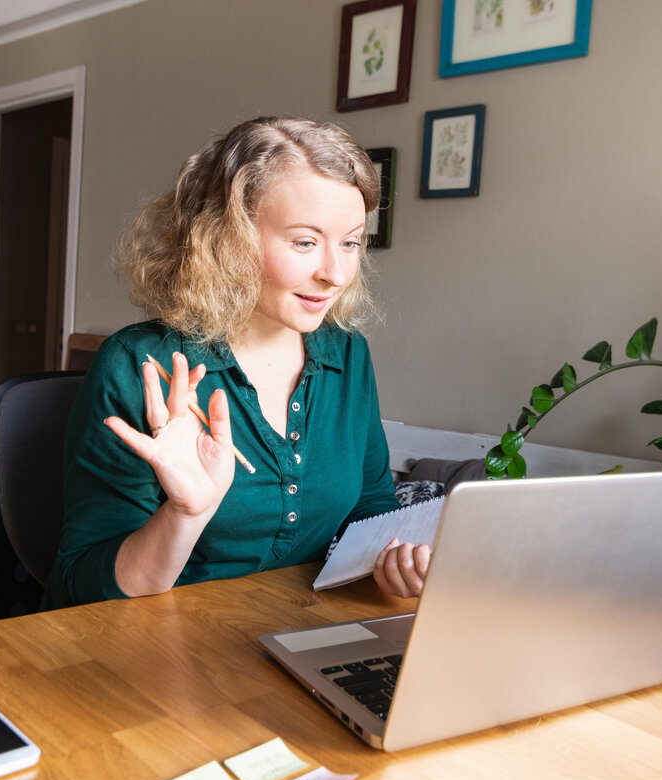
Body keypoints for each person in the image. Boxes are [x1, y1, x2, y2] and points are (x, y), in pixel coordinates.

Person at [42, 116, 430, 609]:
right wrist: (184, 514)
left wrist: (397, 561)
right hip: (149, 642)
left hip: (291, 627)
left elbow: (371, 509)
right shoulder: (139, 364)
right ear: (228, 241)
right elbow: (82, 583)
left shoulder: (346, 353)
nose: (335, 273)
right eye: (305, 242)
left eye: (350, 242)